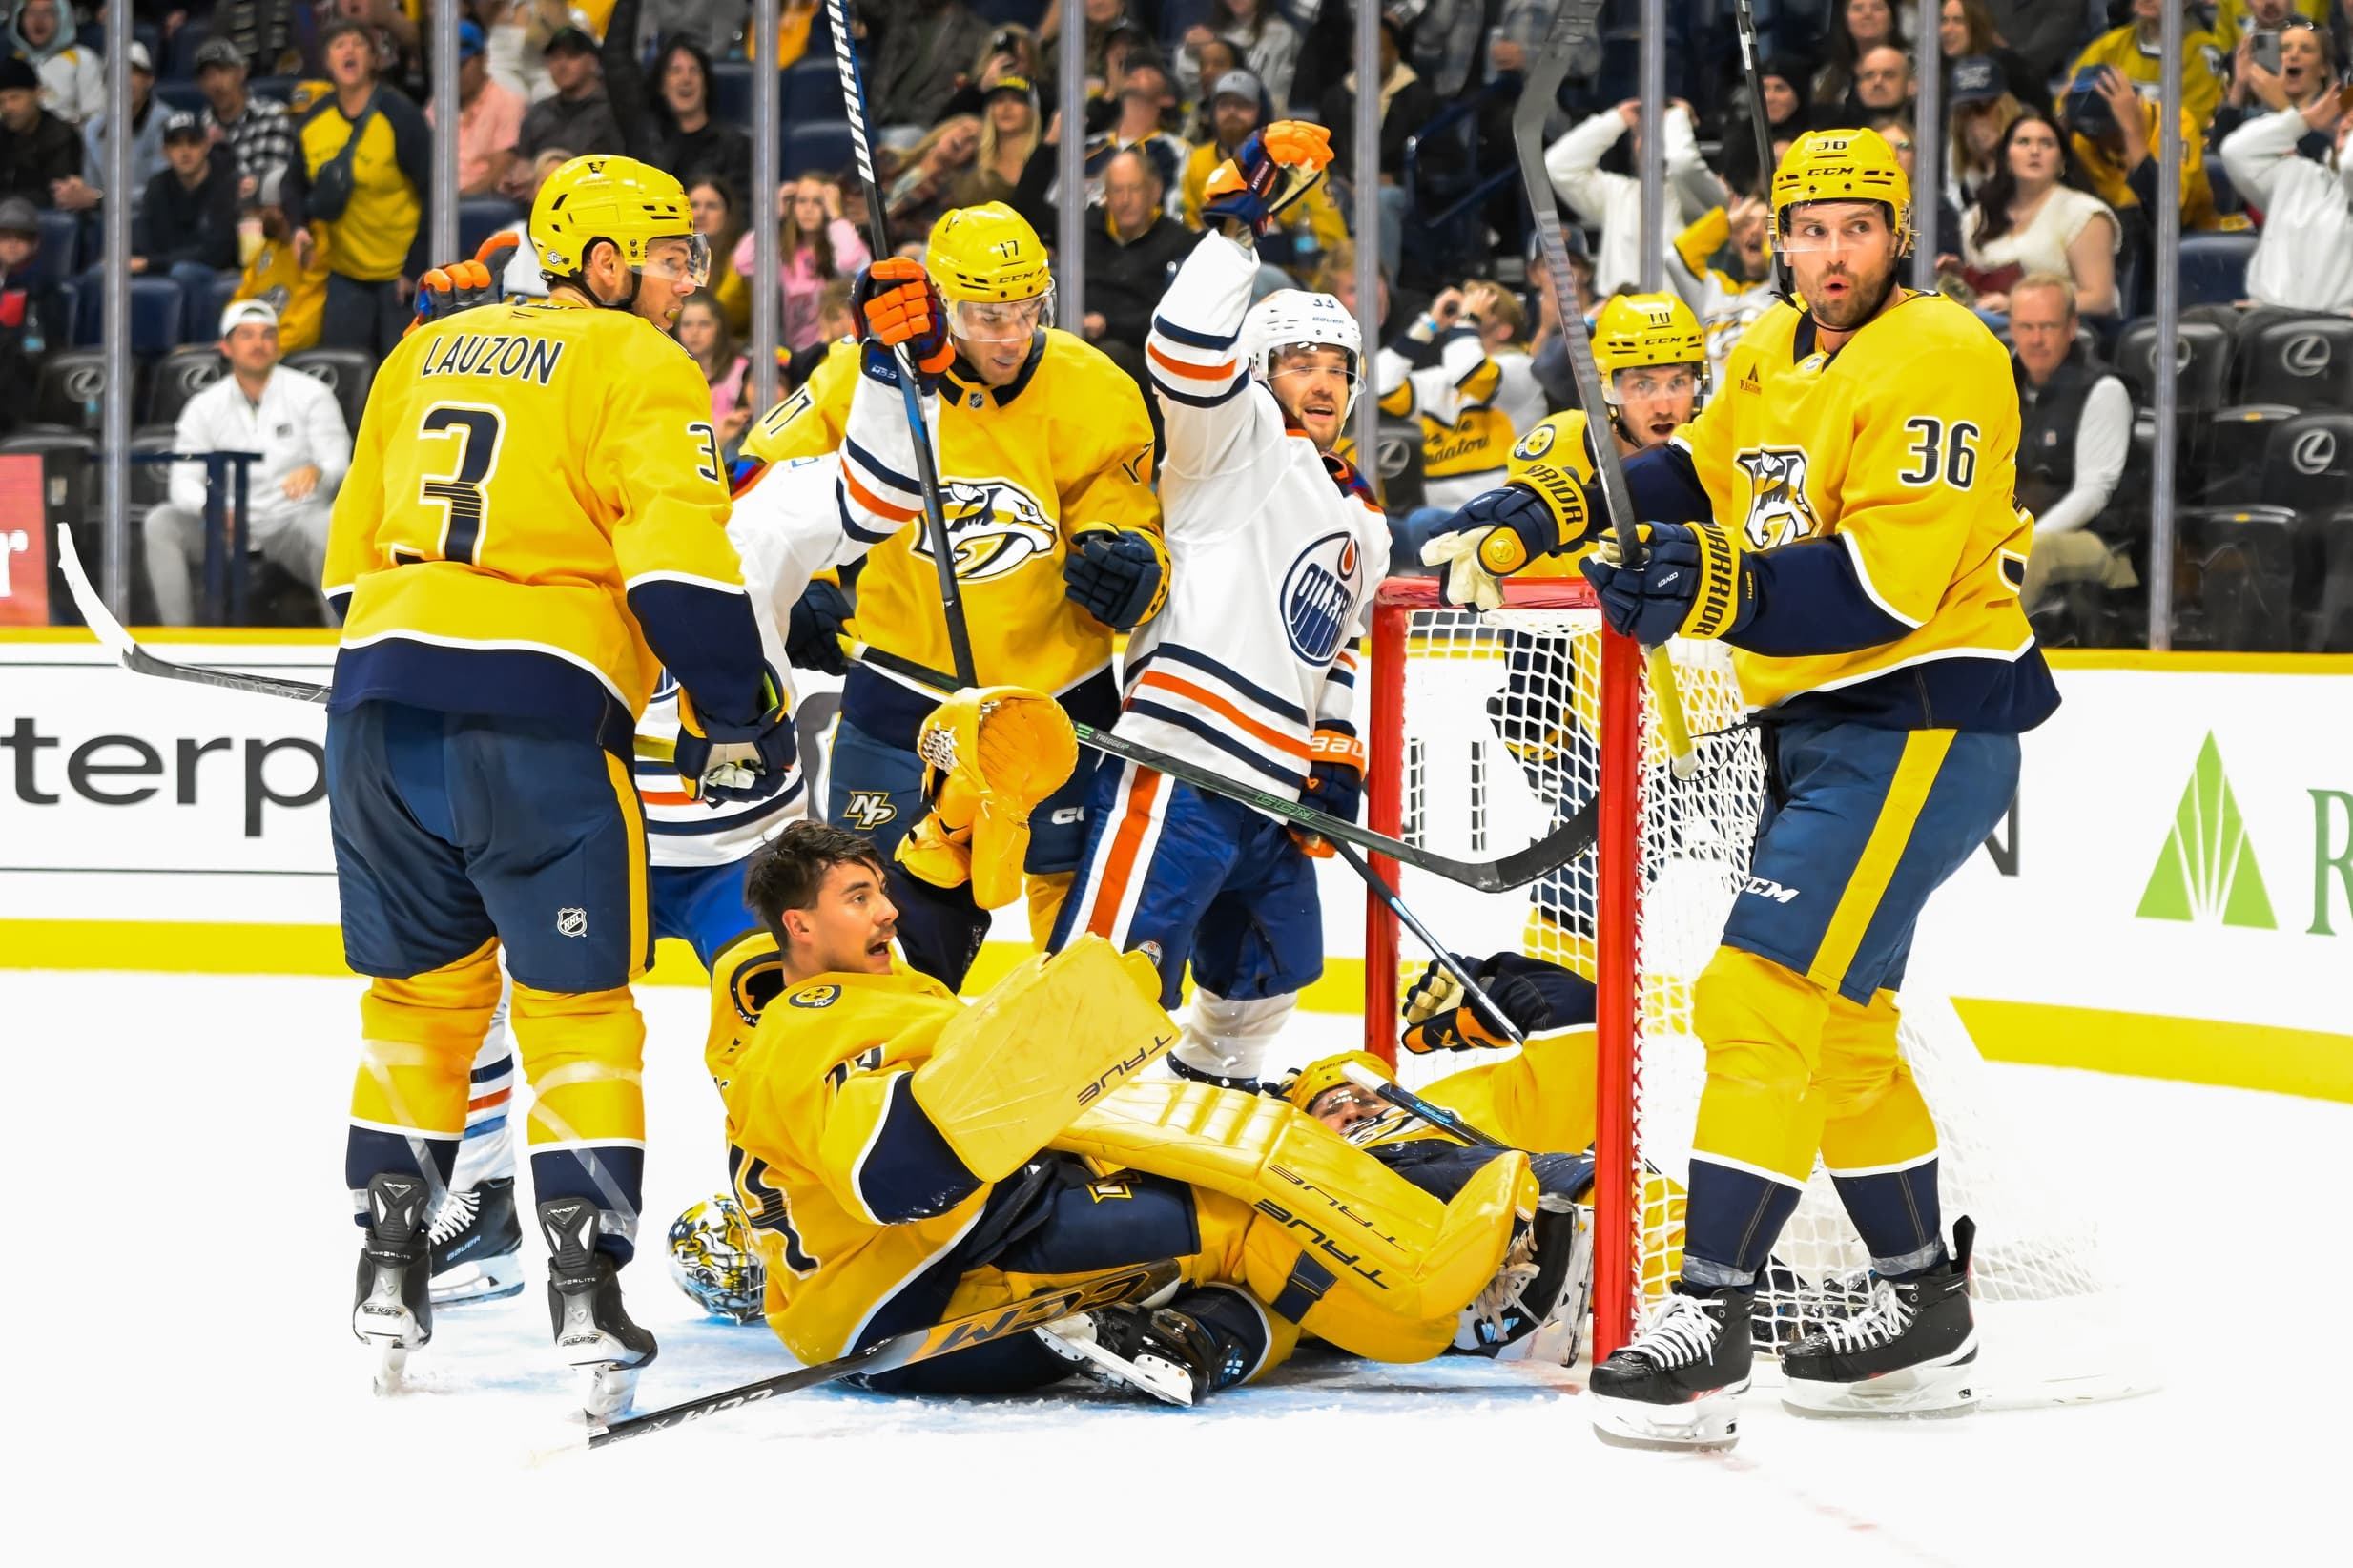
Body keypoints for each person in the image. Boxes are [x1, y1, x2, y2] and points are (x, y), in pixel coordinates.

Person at [1553, 128, 2055, 1447]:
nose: (1827, 254)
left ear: (1897, 233)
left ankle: (1706, 1315)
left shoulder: (1941, 353)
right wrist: (1577, 492)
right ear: (1775, 234)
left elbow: (1884, 584)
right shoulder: (1772, 345)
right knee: (1835, 1026)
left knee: (1754, 992)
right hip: (1825, 724)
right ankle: (1914, 1305)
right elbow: (1697, 472)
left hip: (1920, 712)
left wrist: (1714, 585)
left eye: (1853, 229)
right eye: (1806, 229)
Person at [328, 155, 794, 1417]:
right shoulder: (638, 362)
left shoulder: (421, 350)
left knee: (416, 1010)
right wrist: (734, 713)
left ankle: (388, 1266)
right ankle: (586, 1292)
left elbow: (342, 562)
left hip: (372, 714)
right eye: (664, 252)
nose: (680, 279)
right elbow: (681, 574)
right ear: (595, 255)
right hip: (534, 733)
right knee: (575, 1013)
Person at [716, 817, 1537, 1403]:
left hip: (907, 1285)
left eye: (879, 891)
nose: (886, 910)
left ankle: (1212, 1337)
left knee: (1205, 1204)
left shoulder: (845, 1004)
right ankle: (1449, 1313)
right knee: (1244, 1223)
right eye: (859, 897)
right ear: (801, 924)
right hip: (920, 1301)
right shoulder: (814, 1021)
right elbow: (891, 1176)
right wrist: (1044, 1051)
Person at [1045, 124, 1387, 1093]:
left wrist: (1337, 752)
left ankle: (1192, 1132)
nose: (1321, 381)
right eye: (1298, 361)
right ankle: (1051, 1158)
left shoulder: (1361, 512)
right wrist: (1235, 241)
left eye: (1337, 367)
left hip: (1273, 792)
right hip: (1183, 766)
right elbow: (1185, 349)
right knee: (1106, 987)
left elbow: (1342, 646)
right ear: (1261, 373)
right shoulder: (1229, 444)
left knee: (1267, 981)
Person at [744, 200, 1164, 949]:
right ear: (939, 305)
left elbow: (1126, 507)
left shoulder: (1093, 386)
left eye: (1026, 311)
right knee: (868, 910)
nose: (1010, 337)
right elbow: (761, 482)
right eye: (985, 317)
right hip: (901, 689)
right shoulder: (864, 376)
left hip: (1055, 697)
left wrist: (1130, 562)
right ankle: (883, 1062)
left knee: (1085, 930)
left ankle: (1079, 1066)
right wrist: (798, 579)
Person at [144, 299, 349, 626]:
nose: (259, 343)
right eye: (247, 335)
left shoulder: (311, 393)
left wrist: (318, 472)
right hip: (226, 525)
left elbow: (338, 461)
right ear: (226, 347)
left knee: (330, 524)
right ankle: (176, 644)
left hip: (293, 520)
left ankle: (343, 643)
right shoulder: (204, 406)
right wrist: (209, 507)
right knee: (161, 523)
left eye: (268, 335)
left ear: (278, 345)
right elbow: (182, 481)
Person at [290, 20, 430, 359]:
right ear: (326, 61)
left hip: (399, 274)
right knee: (343, 370)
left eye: (358, 43)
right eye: (339, 45)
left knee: (399, 371)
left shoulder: (400, 116)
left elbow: (434, 192)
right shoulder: (314, 121)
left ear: (374, 59)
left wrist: (415, 268)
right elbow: (292, 182)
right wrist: (298, 226)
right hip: (346, 272)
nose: (348, 51)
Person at [2007, 274, 2134, 614]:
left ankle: (1983, 655)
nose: (2036, 340)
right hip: (2015, 530)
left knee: (2037, 552)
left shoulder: (2102, 389)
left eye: (2047, 327)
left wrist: (2021, 540)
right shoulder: (2000, 383)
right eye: (2026, 327)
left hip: (2099, 539)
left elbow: (2094, 492)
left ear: (2071, 327)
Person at [1012, 143, 1189, 381]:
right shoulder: (1084, 227)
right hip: (1072, 339)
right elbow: (1026, 205)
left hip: (1136, 354)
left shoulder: (1178, 241)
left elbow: (1173, 317)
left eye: (1134, 189)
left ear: (1155, 191)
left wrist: (1108, 325)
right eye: (1116, 190)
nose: (1125, 200)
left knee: (1107, 357)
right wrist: (1050, 144)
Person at [1376, 278, 1545, 519]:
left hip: (1504, 517)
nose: (1465, 315)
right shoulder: (1443, 378)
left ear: (1504, 329)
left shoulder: (1522, 370)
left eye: (1479, 311)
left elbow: (1470, 372)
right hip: (1442, 521)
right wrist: (1429, 323)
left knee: (1419, 521)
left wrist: (1468, 322)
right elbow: (1380, 385)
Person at [1547, 97, 1729, 298]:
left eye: (1658, 133)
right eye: (1641, 134)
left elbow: (1682, 162)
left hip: (1680, 322)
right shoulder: (1617, 193)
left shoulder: (1700, 195)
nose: (1649, 143)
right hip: (1621, 320)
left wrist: (1677, 114)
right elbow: (1557, 166)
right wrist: (1617, 119)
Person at [1952, 108, 2119, 320]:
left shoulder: (2084, 213)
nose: (2034, 151)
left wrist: (2018, 305)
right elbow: (1978, 293)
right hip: (1989, 325)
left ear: (2061, 161)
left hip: (2064, 329)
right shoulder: (1979, 216)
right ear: (2006, 158)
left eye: (2046, 144)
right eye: (2023, 142)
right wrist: (1959, 275)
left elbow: (2100, 299)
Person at [2220, 59, 2353, 313]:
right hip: (2264, 323)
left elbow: (2350, 167)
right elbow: (2235, 151)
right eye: (2344, 121)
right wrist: (2302, 120)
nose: (2346, 124)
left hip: (2335, 331)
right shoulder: (2296, 175)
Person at [1181, 71, 1345, 266]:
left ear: (1262, 111)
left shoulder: (1300, 161)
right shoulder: (1199, 160)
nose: (1232, 112)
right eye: (1224, 104)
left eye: (1243, 105)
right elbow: (1189, 225)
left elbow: (1333, 240)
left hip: (1286, 273)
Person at [110, 113, 240, 343]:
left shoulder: (227, 184)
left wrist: (152, 263)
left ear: (206, 145)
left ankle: (196, 350)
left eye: (193, 142)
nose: (185, 151)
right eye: (176, 144)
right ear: (164, 152)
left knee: (184, 272)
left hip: (215, 270)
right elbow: (143, 241)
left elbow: (217, 252)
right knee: (103, 273)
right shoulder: (157, 186)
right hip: (167, 266)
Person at [602, 0, 751, 198]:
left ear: (706, 83)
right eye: (675, 70)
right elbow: (615, 59)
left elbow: (739, 209)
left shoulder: (733, 146)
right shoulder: (646, 134)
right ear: (662, 86)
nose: (686, 79)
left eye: (694, 70)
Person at [2060, 64, 2223, 242]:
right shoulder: (2081, 139)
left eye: (2106, 131)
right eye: (2088, 133)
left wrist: (2131, 130)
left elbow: (2168, 211)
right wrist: (2063, 129)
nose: (2097, 140)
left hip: (2185, 239)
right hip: (2114, 239)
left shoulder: (2173, 123)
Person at [731, 174, 867, 353]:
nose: (808, 209)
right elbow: (742, 263)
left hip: (840, 347)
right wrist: (772, 216)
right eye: (801, 201)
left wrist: (837, 215)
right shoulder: (785, 251)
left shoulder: (842, 241)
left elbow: (852, 262)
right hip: (796, 352)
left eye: (818, 202)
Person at [2071, 0, 2229, 137]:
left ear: (2185, 2)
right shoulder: (2112, 44)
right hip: (2108, 146)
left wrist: (2130, 114)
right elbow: (2069, 96)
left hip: (2171, 155)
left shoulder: (2201, 52)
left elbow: (2192, 120)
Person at [53, 40, 163, 224]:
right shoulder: (93, 128)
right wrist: (77, 191)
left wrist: (100, 198)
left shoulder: (166, 122)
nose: (126, 80)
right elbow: (92, 185)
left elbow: (161, 192)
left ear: (149, 79)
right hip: (106, 222)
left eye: (134, 72)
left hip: (153, 220)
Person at [1668, 195, 1777, 379]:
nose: (1756, 230)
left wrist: (1773, 240)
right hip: (1711, 403)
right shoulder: (1713, 287)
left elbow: (1784, 266)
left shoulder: (1783, 293)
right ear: (1733, 236)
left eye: (1767, 225)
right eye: (1746, 223)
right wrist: (1727, 222)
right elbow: (1675, 257)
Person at [508, 20, 622, 193]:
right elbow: (522, 163)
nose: (562, 65)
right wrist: (517, 178)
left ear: (593, 62)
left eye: (571, 56)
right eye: (555, 57)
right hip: (537, 201)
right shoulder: (538, 112)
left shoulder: (614, 111)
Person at [231, 166, 332, 352]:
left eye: (261, 209)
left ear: (279, 210)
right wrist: (232, 339)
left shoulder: (316, 247)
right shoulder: (270, 247)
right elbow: (242, 298)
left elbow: (304, 327)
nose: (257, 216)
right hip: (252, 351)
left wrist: (262, 351)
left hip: (284, 356)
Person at [1079, 60, 1189, 218]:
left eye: (1150, 70)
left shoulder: (1177, 150)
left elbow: (1176, 211)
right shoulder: (1087, 145)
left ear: (1167, 98)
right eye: (1133, 69)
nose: (1137, 71)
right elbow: (1057, 203)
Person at [425, 20, 522, 198]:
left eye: (461, 65)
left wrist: (450, 203)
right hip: (439, 204)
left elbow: (498, 173)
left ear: (483, 58)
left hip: (483, 204)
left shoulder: (507, 101)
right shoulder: (437, 104)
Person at [194, 35, 295, 202]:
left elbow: (270, 186)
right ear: (200, 85)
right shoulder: (199, 129)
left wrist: (225, 157)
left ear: (241, 72)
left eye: (223, 71)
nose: (216, 83)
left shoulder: (274, 115)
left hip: (261, 217)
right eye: (207, 76)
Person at [869, 0, 990, 138]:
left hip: (928, 128)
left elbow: (974, 96)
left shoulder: (977, 34)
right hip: (877, 118)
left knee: (897, 141)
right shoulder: (896, 14)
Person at [0, 195, 66, 434]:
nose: (12, 244)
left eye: (21, 238)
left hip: (27, 364)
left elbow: (45, 339)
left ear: (35, 244)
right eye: (5, 237)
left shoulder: (44, 286)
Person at [1177, 0, 1300, 112]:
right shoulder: (1210, 32)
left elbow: (1269, 96)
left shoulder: (1282, 35)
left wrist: (1221, 49)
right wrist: (1191, 54)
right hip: (1210, 121)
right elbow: (1191, 96)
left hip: (1260, 122)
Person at [0, 52, 82, 207]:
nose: (7, 108)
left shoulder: (60, 135)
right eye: (1, 101)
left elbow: (57, 195)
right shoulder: (3, 133)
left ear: (37, 93)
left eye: (15, 98)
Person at [949, 72, 1041, 210]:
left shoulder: (1046, 165)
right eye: (999, 100)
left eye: (1017, 100)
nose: (1006, 108)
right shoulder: (970, 163)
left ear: (1032, 111)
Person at [4, 0, 100, 126]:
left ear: (63, 17)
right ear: (19, 18)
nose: (39, 20)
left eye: (47, 12)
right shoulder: (13, 62)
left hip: (70, 140)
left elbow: (95, 115)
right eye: (32, 12)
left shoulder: (82, 58)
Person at [676, 289, 753, 447]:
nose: (694, 332)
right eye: (687, 324)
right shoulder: (671, 372)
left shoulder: (742, 371)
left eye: (704, 324)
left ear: (719, 327)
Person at [881, 113, 980, 234]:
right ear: (945, 130)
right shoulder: (888, 158)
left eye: (972, 140)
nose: (965, 137)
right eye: (965, 129)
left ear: (969, 158)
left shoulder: (945, 201)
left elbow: (915, 233)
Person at [1945, 56, 2021, 209]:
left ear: (2005, 105)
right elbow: (1957, 211)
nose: (1974, 118)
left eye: (1983, 106)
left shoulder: (2029, 137)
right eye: (1965, 110)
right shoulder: (1956, 148)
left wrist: (1996, 159)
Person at [1811, 0, 1907, 110]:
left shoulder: (1915, 66)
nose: (1867, 14)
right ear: (1845, 21)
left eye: (1877, 8)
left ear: (1893, 19)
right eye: (1858, 9)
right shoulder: (1829, 72)